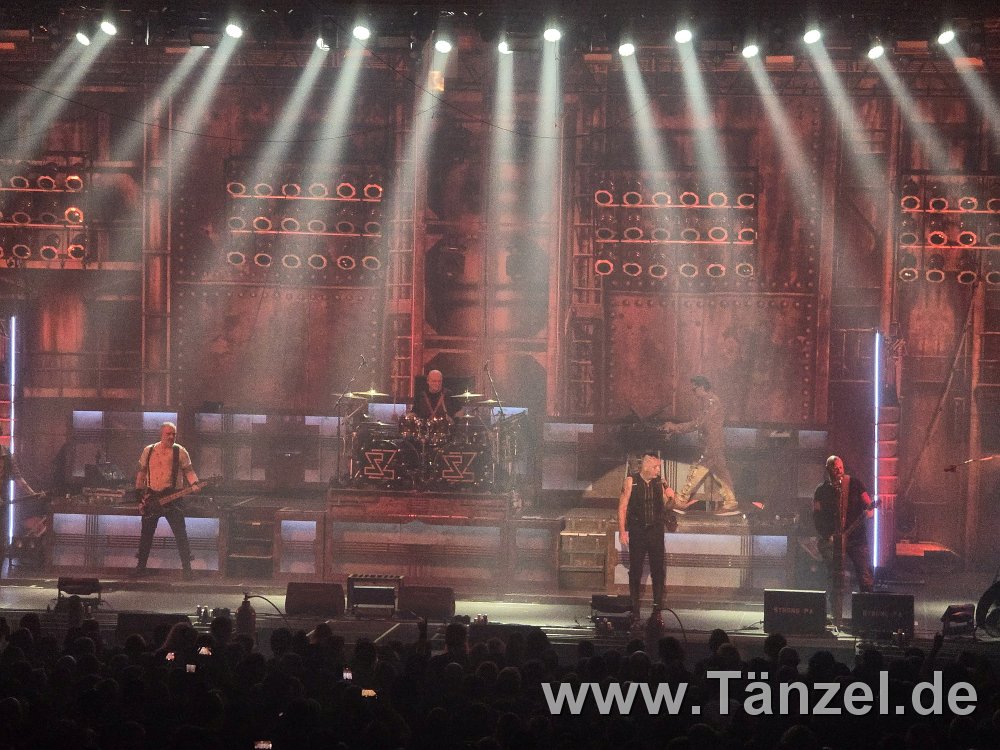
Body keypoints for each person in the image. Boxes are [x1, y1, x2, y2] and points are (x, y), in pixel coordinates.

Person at [618, 452, 680, 627]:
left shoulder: (659, 483)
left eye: (659, 467)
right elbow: (622, 507)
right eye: (655, 467)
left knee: (658, 571)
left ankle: (657, 610)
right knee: (635, 571)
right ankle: (635, 610)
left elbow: (668, 506)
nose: (658, 470)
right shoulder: (631, 481)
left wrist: (671, 496)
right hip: (638, 531)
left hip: (655, 531)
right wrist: (622, 531)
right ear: (646, 467)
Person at [663, 375, 739, 516]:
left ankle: (681, 500)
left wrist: (675, 427)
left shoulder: (711, 402)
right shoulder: (710, 401)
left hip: (711, 445)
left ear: (702, 387)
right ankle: (730, 502)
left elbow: (699, 423)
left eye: (695, 389)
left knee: (698, 469)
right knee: (720, 472)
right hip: (713, 444)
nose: (694, 393)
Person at [134, 422, 200, 579]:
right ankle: (140, 568)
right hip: (152, 497)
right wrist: (139, 495)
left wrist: (195, 484)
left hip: (173, 498)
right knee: (146, 535)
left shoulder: (180, 451)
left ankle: (187, 570)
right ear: (161, 434)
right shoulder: (149, 450)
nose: (171, 437)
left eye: (173, 434)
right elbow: (141, 473)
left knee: (180, 534)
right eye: (168, 434)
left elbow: (189, 471)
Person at [813, 455, 875, 615]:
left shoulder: (855, 484)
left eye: (841, 467)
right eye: (835, 468)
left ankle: (868, 611)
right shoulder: (821, 491)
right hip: (833, 540)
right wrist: (827, 535)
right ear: (828, 470)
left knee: (864, 574)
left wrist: (869, 512)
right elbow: (817, 516)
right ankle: (834, 612)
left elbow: (869, 505)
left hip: (856, 539)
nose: (839, 471)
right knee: (833, 576)